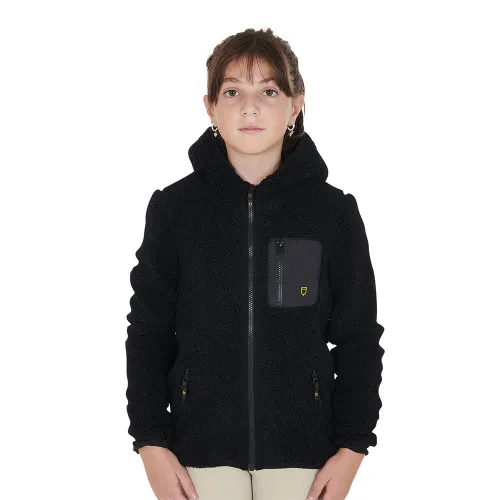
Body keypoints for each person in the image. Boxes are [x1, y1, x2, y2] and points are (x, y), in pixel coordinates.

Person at [125, 27, 385, 500]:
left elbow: (359, 337)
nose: (250, 108)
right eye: (232, 92)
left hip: (303, 456)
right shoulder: (174, 210)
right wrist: (150, 444)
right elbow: (148, 334)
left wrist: (353, 447)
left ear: (295, 106)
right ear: (210, 107)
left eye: (268, 91)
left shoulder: (332, 213)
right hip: (199, 455)